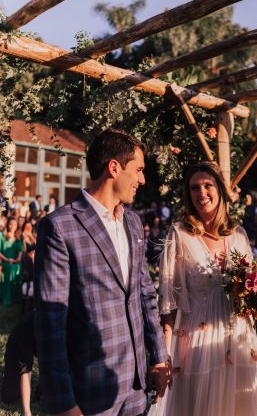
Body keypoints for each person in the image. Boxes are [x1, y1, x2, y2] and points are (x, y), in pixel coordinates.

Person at [34, 128, 171, 416]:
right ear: (114, 167)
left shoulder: (134, 223)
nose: (142, 179)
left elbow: (145, 295)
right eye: (138, 170)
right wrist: (62, 402)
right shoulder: (60, 227)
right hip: (88, 392)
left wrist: (159, 359)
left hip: (136, 386)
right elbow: (50, 320)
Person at [149, 162, 257, 416]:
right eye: (194, 188)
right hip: (196, 339)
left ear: (220, 190)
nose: (201, 193)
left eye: (208, 185)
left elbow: (251, 290)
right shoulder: (179, 234)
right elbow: (167, 302)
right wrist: (165, 355)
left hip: (239, 337)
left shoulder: (239, 235)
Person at [1, 310, 36, 416]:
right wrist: (27, 410)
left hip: (43, 341)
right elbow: (25, 369)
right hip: (20, 342)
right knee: (10, 396)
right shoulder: (25, 330)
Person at [0, 217, 23, 306]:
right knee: (10, 268)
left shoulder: (18, 236)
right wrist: (7, 259)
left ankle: (16, 297)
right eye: (10, 224)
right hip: (5, 261)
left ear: (17, 225)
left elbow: (20, 251)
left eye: (14, 224)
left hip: (15, 261)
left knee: (17, 267)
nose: (12, 226)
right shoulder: (2, 235)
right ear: (7, 225)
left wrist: (18, 258)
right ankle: (7, 298)